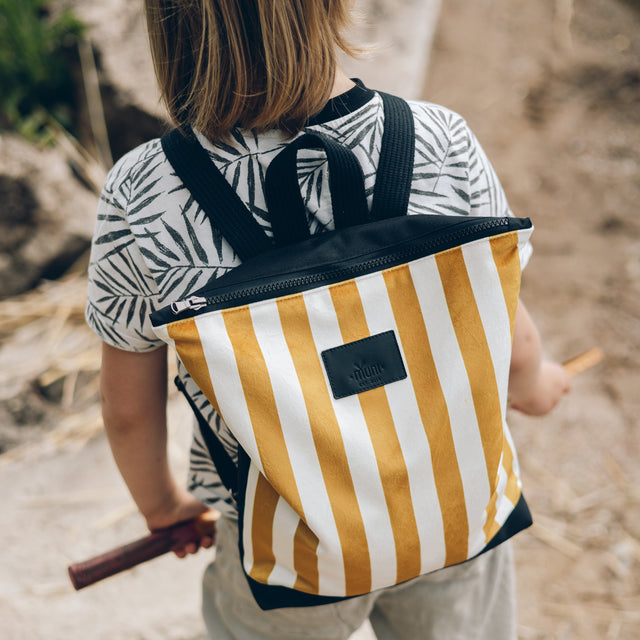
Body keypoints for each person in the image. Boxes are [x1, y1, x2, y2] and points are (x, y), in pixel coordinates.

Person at [85, 1, 571, 638]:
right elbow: (504, 325)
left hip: (287, 541)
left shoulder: (143, 191)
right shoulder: (439, 138)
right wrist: (536, 385)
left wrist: (163, 506)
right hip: (452, 507)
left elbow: (128, 409)